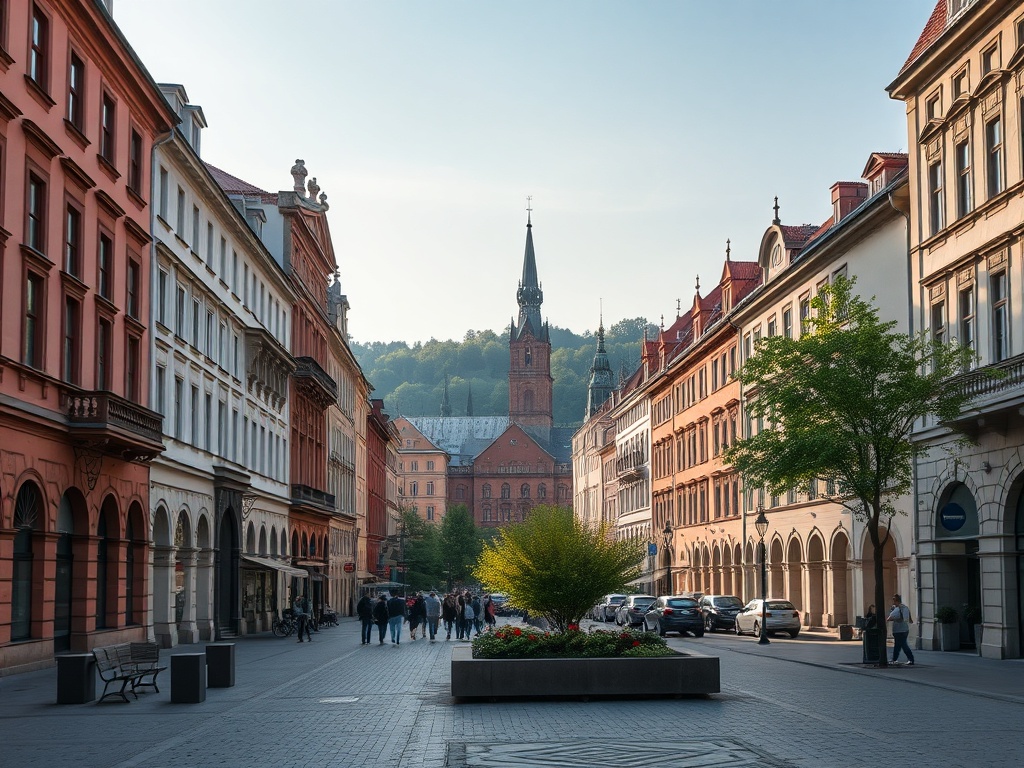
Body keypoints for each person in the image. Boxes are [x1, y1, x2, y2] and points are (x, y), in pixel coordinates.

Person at [886, 593, 915, 666]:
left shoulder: (902, 608)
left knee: (903, 645)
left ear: (897, 601)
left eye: (894, 601)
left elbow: (905, 619)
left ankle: (910, 659)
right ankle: (895, 659)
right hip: (899, 630)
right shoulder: (897, 608)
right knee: (898, 646)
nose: (893, 603)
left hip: (901, 630)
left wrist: (895, 618)